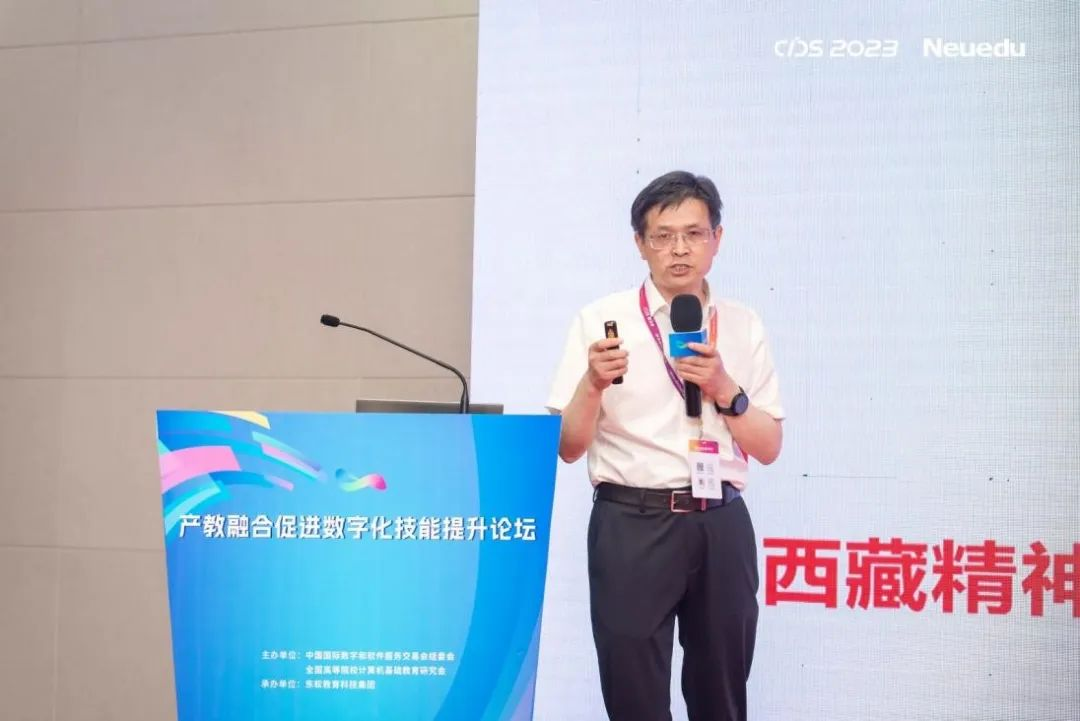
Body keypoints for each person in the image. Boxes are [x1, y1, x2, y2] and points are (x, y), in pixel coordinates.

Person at [546, 170, 785, 721]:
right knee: (634, 694)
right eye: (663, 236)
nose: (679, 249)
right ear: (640, 243)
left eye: (694, 234)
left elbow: (769, 445)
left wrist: (725, 389)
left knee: (722, 693)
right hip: (633, 523)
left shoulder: (743, 325)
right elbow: (568, 446)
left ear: (717, 239)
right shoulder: (601, 321)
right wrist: (593, 384)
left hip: (721, 522)